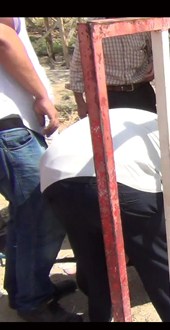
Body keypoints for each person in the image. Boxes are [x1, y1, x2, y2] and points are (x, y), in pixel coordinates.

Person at [39, 107, 170, 322]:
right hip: (122, 183)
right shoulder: (168, 132)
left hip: (56, 179)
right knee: (159, 260)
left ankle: (101, 316)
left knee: (92, 257)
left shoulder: (99, 120)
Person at [0, 17, 81, 322]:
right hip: (8, 127)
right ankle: (33, 302)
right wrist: (41, 94)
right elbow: (4, 39)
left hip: (11, 128)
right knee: (45, 211)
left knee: (26, 214)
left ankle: (24, 288)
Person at [67, 17, 156, 119]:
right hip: (108, 97)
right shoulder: (91, 29)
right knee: (111, 134)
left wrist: (154, 63)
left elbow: (154, 50)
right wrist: (80, 102)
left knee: (148, 130)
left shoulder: (141, 24)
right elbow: (78, 66)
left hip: (141, 93)